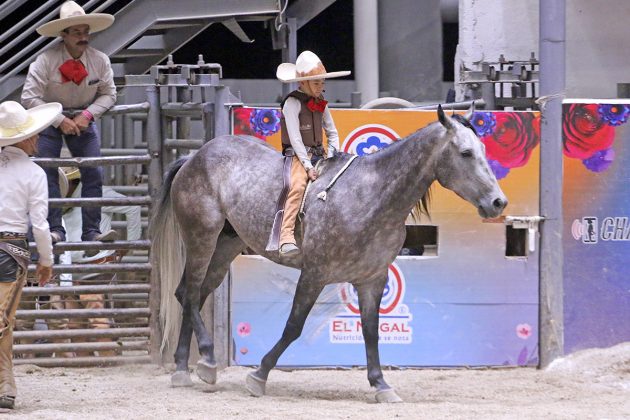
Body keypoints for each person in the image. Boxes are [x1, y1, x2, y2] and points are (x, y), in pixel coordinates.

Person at [21, 1, 117, 244]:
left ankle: (92, 232)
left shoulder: (100, 60)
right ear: (63, 35)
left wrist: (88, 115)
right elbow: (29, 96)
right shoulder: (45, 60)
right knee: (47, 172)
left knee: (93, 171)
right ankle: (55, 230)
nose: (83, 37)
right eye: (76, 32)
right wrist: (59, 118)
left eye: (85, 31)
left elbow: (109, 93)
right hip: (49, 119)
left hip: (83, 119)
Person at [0, 100, 60, 410]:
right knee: (3, 321)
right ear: (23, 139)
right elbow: (39, 226)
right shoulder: (34, 173)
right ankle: (5, 384)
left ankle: (6, 384)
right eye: (33, 134)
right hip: (10, 252)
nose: (37, 139)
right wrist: (46, 261)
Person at [275, 51, 350, 255]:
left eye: (322, 83)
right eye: (316, 83)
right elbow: (295, 138)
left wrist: (333, 155)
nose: (321, 87)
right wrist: (308, 166)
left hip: (320, 154)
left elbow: (332, 132)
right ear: (303, 83)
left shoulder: (321, 102)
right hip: (299, 156)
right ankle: (286, 236)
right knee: (297, 186)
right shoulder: (292, 103)